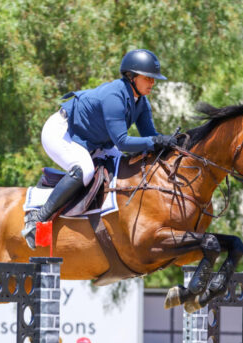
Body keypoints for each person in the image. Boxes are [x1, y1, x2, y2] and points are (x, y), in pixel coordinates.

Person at [21, 48, 177, 249]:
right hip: (61, 132)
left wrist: (168, 144)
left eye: (153, 78)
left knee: (122, 167)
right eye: (148, 78)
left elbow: (150, 136)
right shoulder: (114, 96)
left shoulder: (141, 102)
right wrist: (155, 141)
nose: (153, 83)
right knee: (84, 170)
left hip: (94, 142)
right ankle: (38, 219)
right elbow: (123, 142)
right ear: (132, 77)